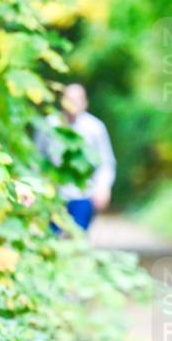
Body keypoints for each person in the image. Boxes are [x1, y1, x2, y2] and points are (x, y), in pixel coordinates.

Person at [37, 83, 116, 232]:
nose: (73, 104)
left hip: (83, 194)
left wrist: (103, 187)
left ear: (85, 102)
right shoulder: (49, 124)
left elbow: (106, 162)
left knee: (78, 238)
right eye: (69, 99)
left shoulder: (95, 128)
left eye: (77, 99)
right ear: (62, 101)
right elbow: (36, 157)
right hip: (53, 194)